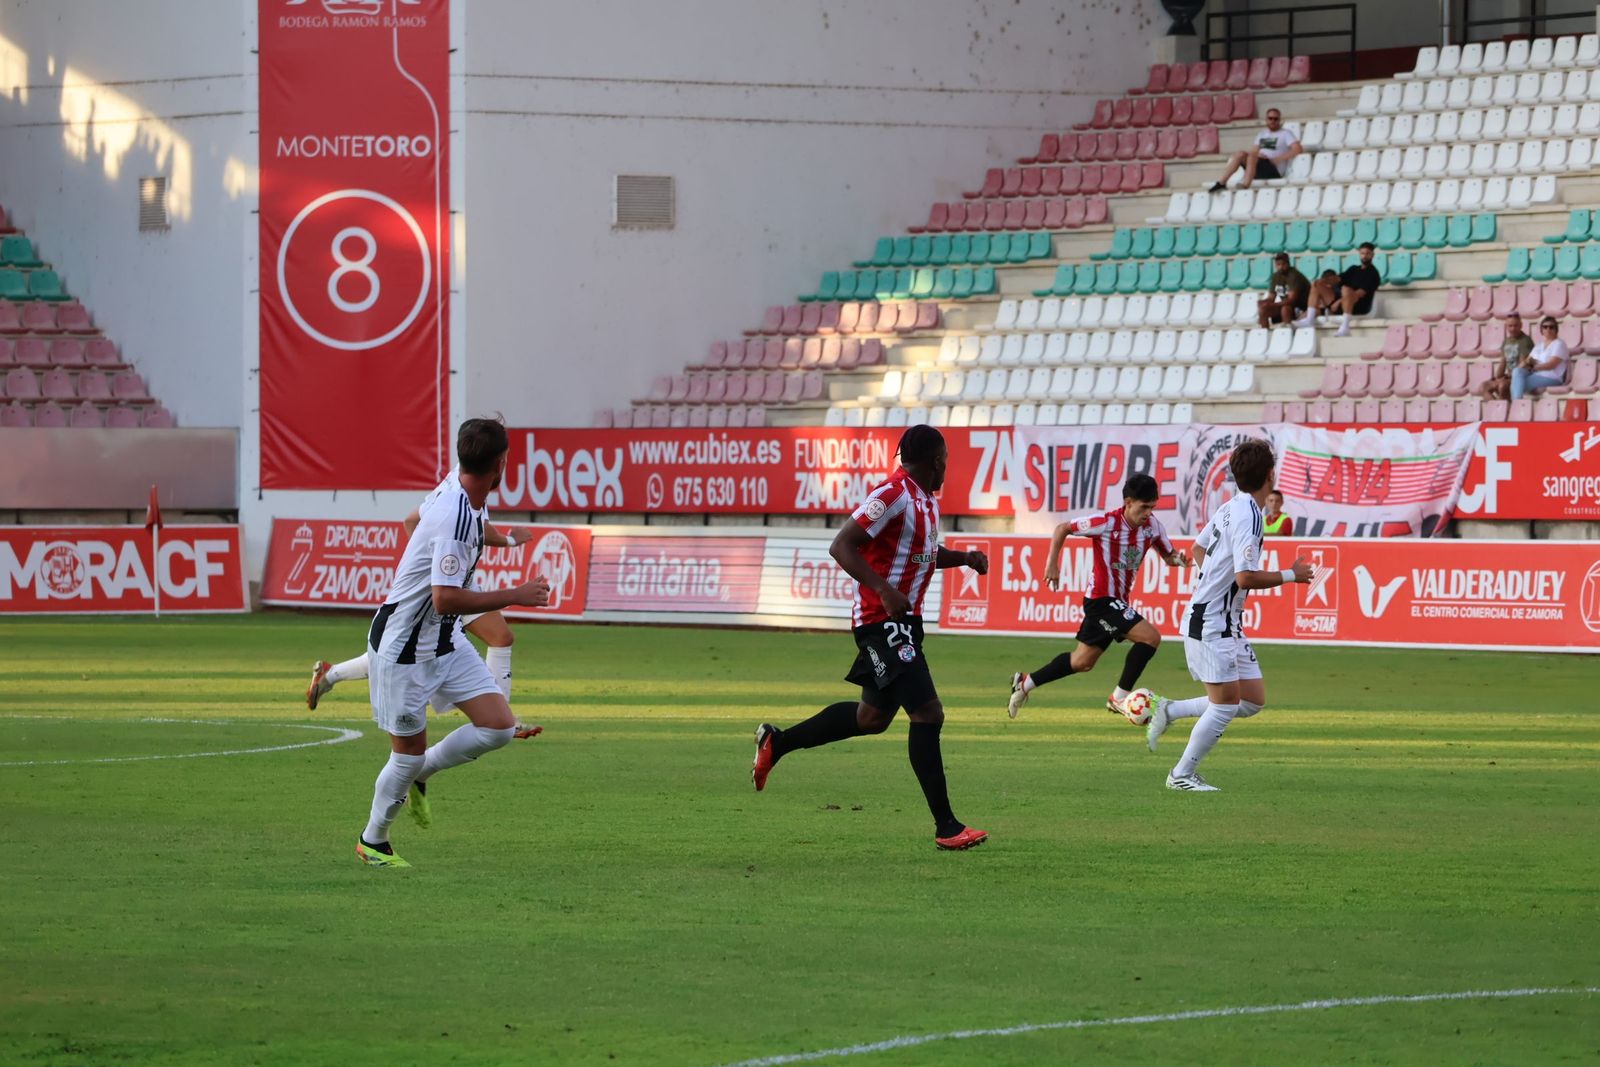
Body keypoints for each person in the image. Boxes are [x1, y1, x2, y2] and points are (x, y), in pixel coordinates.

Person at [750, 424, 990, 851]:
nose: (946, 471)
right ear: (937, 461)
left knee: (871, 719)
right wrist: (883, 588)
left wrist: (965, 559)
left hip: (904, 621)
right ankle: (947, 827)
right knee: (928, 714)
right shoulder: (892, 494)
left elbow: (922, 555)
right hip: (882, 621)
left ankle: (778, 741)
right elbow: (843, 545)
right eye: (946, 463)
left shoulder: (925, 501)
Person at [355, 417, 552, 869]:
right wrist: (516, 594)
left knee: (499, 727)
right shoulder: (454, 513)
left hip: (441, 639)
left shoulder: (459, 486)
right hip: (405, 649)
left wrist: (502, 540)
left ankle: (425, 770)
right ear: (502, 463)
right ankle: (373, 840)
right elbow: (444, 600)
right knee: (404, 757)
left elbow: (413, 521)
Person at [1143, 439, 1313, 791]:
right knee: (1224, 706)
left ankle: (1168, 710)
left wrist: (1213, 583)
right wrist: (1290, 575)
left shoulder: (1231, 506)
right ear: (1271, 474)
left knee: (1251, 700)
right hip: (1211, 623)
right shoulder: (1250, 515)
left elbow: (1198, 548)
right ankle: (1181, 776)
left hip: (1224, 621)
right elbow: (1245, 577)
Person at [1005, 474, 1191, 723]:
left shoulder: (1153, 528)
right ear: (1128, 502)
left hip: (1117, 602)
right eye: (1143, 507)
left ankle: (1025, 683)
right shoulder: (1106, 523)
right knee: (1151, 637)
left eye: (1152, 507)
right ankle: (1118, 698)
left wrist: (1179, 560)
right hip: (1101, 600)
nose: (1148, 513)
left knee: (1082, 661)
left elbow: (1169, 557)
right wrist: (1052, 564)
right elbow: (1063, 528)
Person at [307, 519, 533, 711]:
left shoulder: (475, 494)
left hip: (461, 583)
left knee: (500, 638)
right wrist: (427, 558)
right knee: (406, 652)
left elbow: (478, 528)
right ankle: (500, 716)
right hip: (439, 588)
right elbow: (412, 520)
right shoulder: (454, 492)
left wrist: (508, 540)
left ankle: (332, 673)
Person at [1209, 108, 1302, 192]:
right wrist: (1258, 154)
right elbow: (1254, 150)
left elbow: (1298, 149)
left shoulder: (1286, 133)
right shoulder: (1262, 134)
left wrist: (1278, 159)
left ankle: (1245, 185)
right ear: (1266, 120)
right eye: (1270, 118)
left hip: (1273, 169)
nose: (1273, 121)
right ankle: (1221, 183)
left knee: (1252, 156)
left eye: (1275, 119)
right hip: (1259, 165)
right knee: (1240, 154)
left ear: (1279, 120)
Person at [1511, 316, 1571, 399]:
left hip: (1552, 377)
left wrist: (1533, 367)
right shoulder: (1539, 345)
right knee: (1517, 371)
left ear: (1556, 329)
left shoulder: (1559, 344)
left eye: (1551, 327)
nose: (1548, 329)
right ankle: (1517, 403)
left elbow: (1551, 365)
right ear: (1541, 330)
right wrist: (1524, 364)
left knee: (1517, 385)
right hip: (1536, 374)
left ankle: (1516, 405)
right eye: (1545, 327)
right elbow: (1528, 360)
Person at [1333, 242, 1383, 337]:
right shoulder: (1353, 269)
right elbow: (1339, 279)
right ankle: (1310, 316)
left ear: (1372, 255)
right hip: (1343, 303)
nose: (1364, 256)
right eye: (1362, 253)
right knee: (1318, 284)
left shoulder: (1373, 273)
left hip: (1360, 305)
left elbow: (1359, 293)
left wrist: (1339, 301)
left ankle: (1345, 327)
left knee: (1345, 289)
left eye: (1367, 253)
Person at [1482, 313, 1532, 401]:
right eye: (1510, 326)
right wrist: (1498, 377)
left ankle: (1505, 410)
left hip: (1522, 376)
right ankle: (1498, 409)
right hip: (1509, 376)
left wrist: (1505, 378)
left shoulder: (1525, 340)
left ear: (1521, 325)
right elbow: (1503, 361)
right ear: (1506, 326)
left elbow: (1522, 366)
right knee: (1485, 386)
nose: (1513, 329)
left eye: (1515, 326)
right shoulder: (1506, 341)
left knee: (1503, 386)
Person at [1258, 253, 1310, 328]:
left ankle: (1289, 334)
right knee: (1263, 310)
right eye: (1278, 265)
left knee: (1285, 309)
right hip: (1286, 305)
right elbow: (1271, 298)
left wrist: (1272, 305)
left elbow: (1292, 300)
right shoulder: (1276, 276)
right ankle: (1264, 334)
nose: (1281, 267)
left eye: (1283, 264)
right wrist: (1264, 303)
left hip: (1302, 307)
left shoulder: (1294, 275)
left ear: (1288, 264)